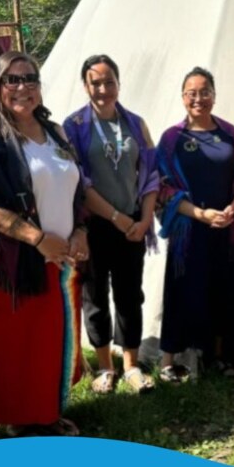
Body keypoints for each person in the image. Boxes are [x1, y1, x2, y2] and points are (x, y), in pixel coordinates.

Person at [0, 50, 86, 435]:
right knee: (15, 346)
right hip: (7, 260)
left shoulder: (54, 133)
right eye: (11, 80)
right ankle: (19, 422)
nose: (22, 87)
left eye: (29, 78)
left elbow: (75, 189)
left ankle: (45, 413)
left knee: (48, 342)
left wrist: (79, 231)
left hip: (56, 256)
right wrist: (35, 238)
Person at [63, 54, 159, 394]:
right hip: (95, 226)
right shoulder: (74, 126)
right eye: (95, 82)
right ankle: (105, 365)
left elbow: (150, 176)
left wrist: (144, 219)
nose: (103, 89)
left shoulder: (136, 124)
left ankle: (130, 364)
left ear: (118, 82)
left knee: (131, 294)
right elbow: (79, 183)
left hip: (133, 224)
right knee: (95, 294)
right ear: (86, 85)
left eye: (109, 81)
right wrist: (115, 218)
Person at [157, 67, 234, 380]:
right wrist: (200, 214)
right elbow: (164, 188)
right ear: (183, 97)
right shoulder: (172, 139)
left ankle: (219, 356)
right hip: (189, 229)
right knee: (181, 290)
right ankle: (168, 359)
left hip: (226, 227)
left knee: (224, 290)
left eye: (205, 91)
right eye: (192, 93)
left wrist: (230, 211)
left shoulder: (230, 134)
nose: (199, 98)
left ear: (214, 94)